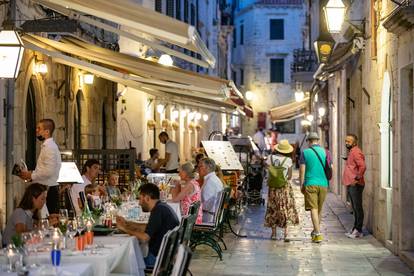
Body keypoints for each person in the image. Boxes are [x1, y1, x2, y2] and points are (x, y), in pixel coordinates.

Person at [116, 183, 179, 267]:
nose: (139, 203)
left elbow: (144, 238)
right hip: (166, 257)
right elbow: (149, 227)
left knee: (122, 265)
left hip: (157, 260)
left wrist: (124, 229)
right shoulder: (162, 207)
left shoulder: (158, 210)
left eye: (140, 199)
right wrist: (127, 223)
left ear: (147, 198)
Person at [19, 119, 62, 215]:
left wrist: (31, 175)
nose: (36, 130)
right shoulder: (48, 146)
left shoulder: (49, 147)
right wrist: (30, 174)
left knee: (48, 221)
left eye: (39, 128)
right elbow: (44, 169)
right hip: (46, 189)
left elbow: (48, 172)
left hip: (48, 190)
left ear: (47, 132)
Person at [299, 132, 332, 243]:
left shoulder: (305, 152)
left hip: (310, 183)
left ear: (309, 141)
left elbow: (302, 170)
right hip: (323, 184)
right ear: (318, 140)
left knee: (313, 208)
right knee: (319, 208)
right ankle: (315, 231)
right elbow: (330, 167)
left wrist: (301, 184)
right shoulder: (326, 152)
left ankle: (318, 233)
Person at [264, 140, 299, 241]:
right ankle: (286, 234)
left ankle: (274, 234)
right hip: (284, 188)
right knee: (285, 208)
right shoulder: (288, 160)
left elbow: (267, 168)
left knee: (272, 209)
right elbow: (289, 177)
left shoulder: (270, 158)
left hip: (273, 188)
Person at [342, 134, 366, 238]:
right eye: (346, 141)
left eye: (349, 141)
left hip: (355, 184)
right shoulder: (352, 152)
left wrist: (356, 179)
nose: (347, 143)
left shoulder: (356, 152)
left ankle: (358, 230)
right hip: (351, 183)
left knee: (357, 207)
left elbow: (363, 166)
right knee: (355, 208)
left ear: (354, 142)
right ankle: (355, 229)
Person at [198, 158, 223, 223]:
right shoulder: (214, 178)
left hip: (208, 217)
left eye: (201, 166)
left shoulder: (210, 181)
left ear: (207, 168)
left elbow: (205, 204)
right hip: (212, 214)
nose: (199, 169)